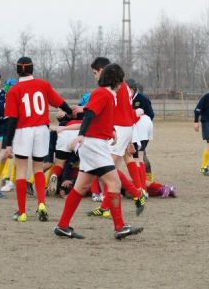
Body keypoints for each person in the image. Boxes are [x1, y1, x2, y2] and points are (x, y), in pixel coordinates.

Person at [53, 63, 144, 240]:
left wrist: (112, 131)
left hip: (96, 144)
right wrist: (81, 135)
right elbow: (90, 114)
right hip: (94, 145)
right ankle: (120, 227)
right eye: (121, 79)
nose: (122, 83)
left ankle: (62, 226)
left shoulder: (109, 95)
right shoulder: (103, 93)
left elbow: (101, 117)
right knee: (115, 184)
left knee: (81, 187)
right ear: (115, 80)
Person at [1, 56, 74, 222]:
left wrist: (7, 144)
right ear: (33, 69)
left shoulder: (14, 90)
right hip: (42, 129)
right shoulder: (43, 85)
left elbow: (11, 120)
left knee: (21, 170)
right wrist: (70, 111)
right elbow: (59, 102)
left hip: (23, 131)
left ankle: (22, 212)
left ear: (18, 70)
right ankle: (41, 203)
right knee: (38, 169)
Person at [81, 57, 146, 219]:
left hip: (118, 129)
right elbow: (127, 111)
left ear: (103, 71)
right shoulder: (121, 85)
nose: (95, 77)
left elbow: (109, 110)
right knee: (110, 170)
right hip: (123, 129)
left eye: (96, 73)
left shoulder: (115, 88)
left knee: (108, 170)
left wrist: (83, 110)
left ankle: (137, 194)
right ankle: (106, 207)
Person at [129, 80, 154, 194]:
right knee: (140, 154)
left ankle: (143, 184)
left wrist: (140, 117)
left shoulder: (142, 99)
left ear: (133, 89)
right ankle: (143, 182)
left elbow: (150, 114)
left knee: (139, 155)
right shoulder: (126, 98)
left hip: (141, 128)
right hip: (133, 129)